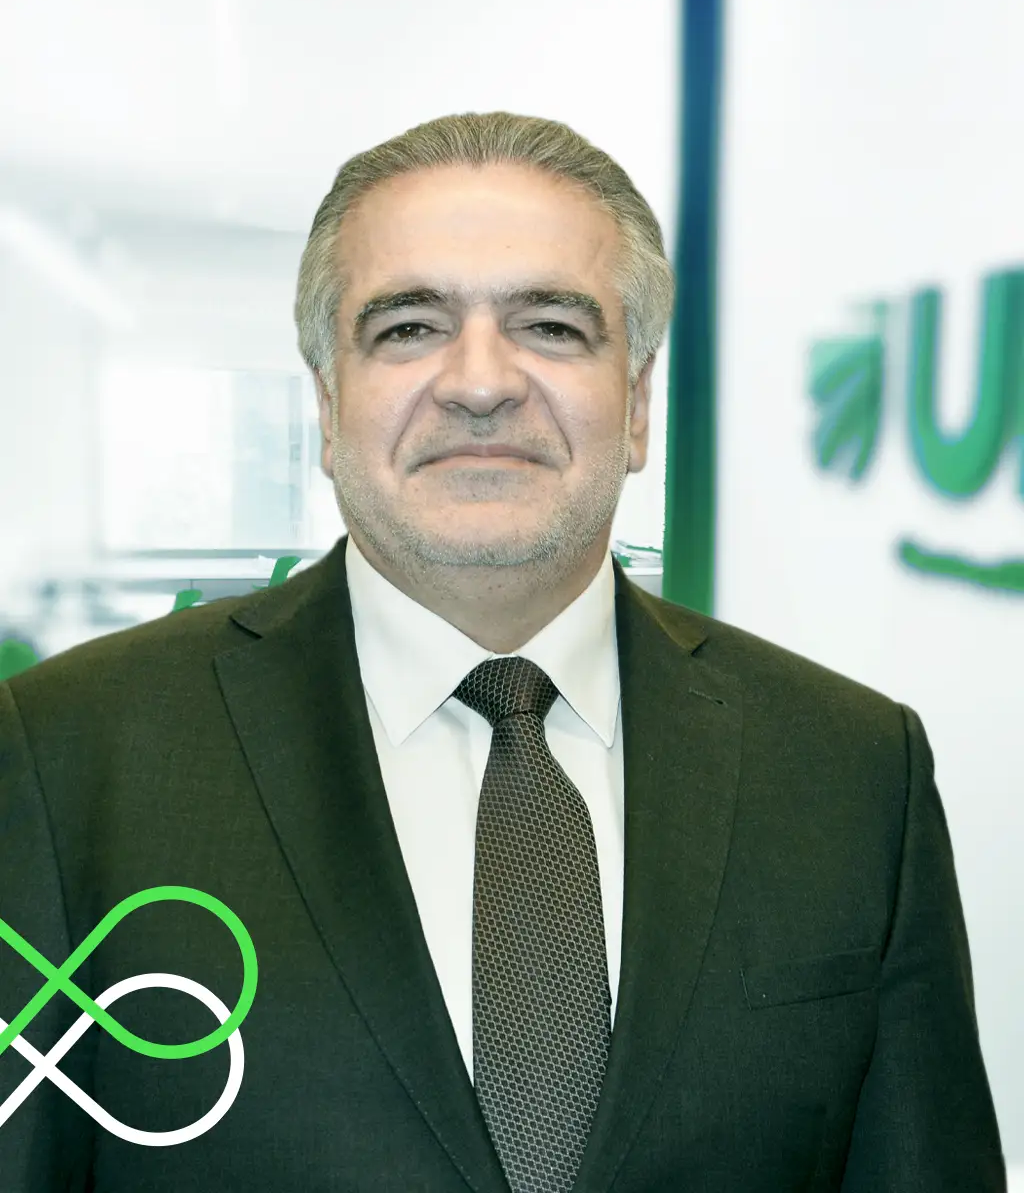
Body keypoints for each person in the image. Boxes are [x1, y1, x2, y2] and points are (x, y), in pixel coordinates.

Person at [0, 111, 1006, 1192]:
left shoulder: (853, 771)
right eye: (408, 327)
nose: (480, 383)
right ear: (328, 406)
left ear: (637, 405)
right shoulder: (67, 758)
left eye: (552, 327)